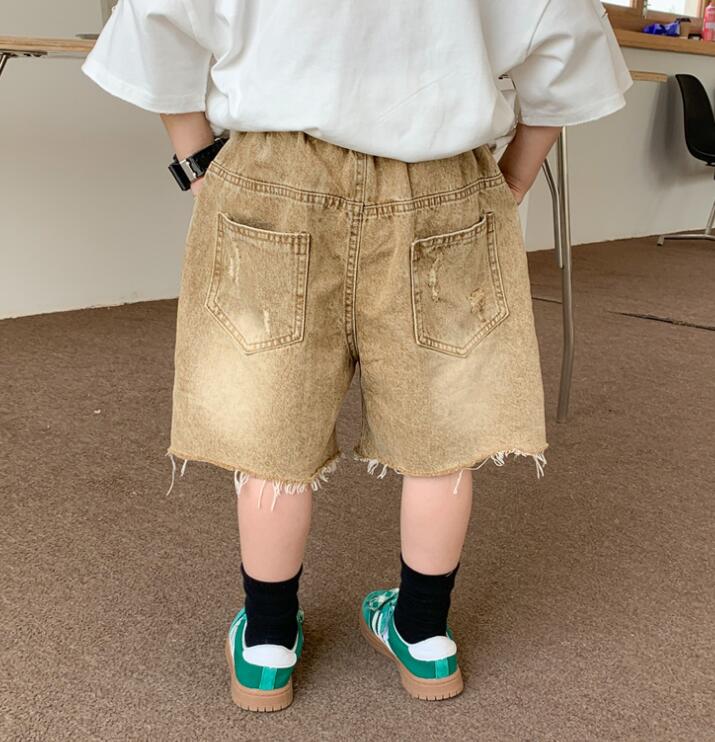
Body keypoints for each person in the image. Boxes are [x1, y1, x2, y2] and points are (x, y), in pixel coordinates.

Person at [82, 0, 632, 712]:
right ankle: (425, 636)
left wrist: (198, 158)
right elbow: (569, 47)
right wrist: (517, 176)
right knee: (442, 429)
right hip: (444, 179)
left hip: (273, 172)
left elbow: (156, 18)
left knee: (272, 423)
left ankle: (267, 645)